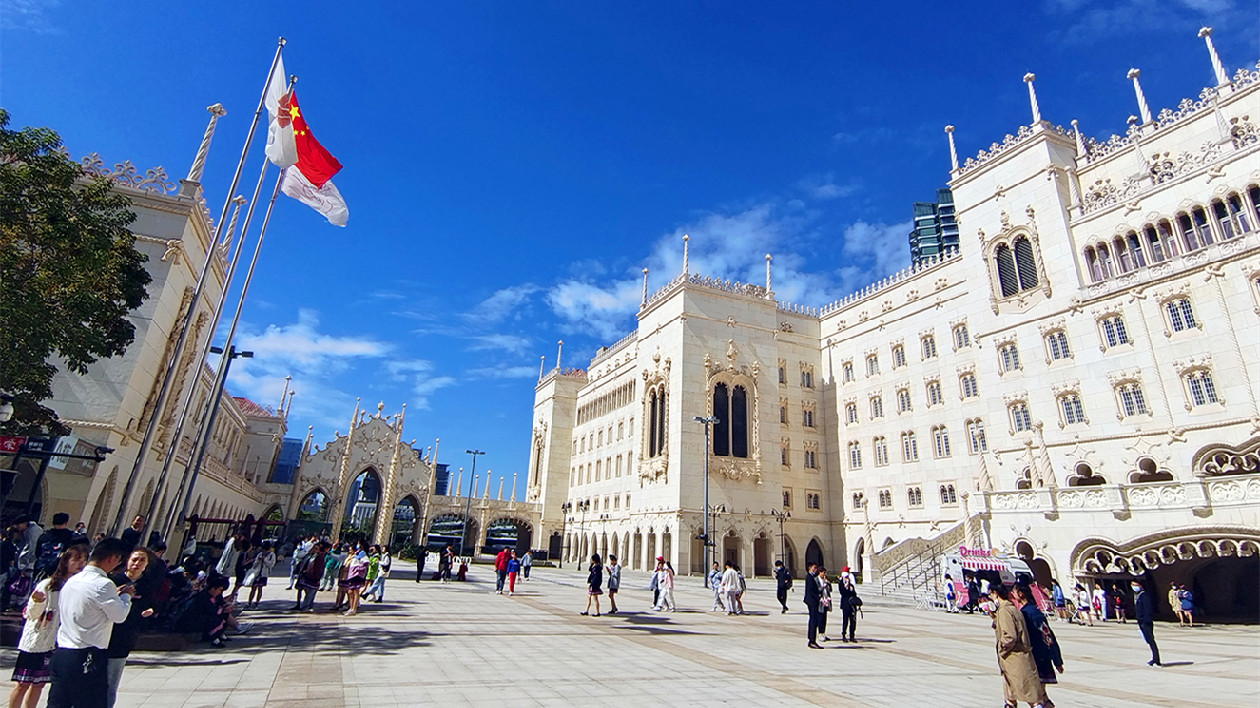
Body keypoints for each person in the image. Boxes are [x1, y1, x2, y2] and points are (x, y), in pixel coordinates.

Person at [48, 537, 133, 708]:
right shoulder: (102, 584)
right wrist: (126, 596)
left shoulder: (72, 581)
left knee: (58, 703)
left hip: (63, 652)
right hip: (87, 655)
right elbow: (119, 615)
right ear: (112, 558)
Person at [10, 545, 88, 708]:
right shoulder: (48, 584)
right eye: (76, 559)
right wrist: (37, 602)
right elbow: (31, 614)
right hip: (37, 641)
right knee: (23, 683)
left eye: (83, 559)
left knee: (39, 684)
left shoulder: (80, 586)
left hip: (57, 642)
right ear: (66, 561)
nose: (81, 563)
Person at [106, 549, 158, 708]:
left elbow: (153, 604)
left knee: (111, 682)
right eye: (134, 559)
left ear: (147, 565)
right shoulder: (113, 580)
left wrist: (150, 611)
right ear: (127, 561)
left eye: (142, 560)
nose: (137, 563)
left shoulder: (148, 584)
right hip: (104, 634)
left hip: (124, 637)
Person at [988, 584, 1048, 708]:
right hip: (1018, 659)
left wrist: (1002, 649)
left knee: (1030, 696)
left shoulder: (1005, 610)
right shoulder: (1012, 608)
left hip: (1014, 658)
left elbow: (1010, 636)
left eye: (990, 594)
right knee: (1012, 695)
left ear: (995, 593)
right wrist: (994, 617)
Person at [1014, 583, 1063, 706]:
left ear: (1021, 594)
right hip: (1039, 657)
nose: (1012, 594)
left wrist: (1056, 659)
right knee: (1041, 695)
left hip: (1037, 658)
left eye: (1014, 591)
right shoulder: (1029, 611)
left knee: (1036, 696)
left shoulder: (1030, 613)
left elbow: (1047, 635)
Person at [293, 541, 329, 613]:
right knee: (304, 590)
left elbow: (319, 568)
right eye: (314, 548)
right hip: (305, 576)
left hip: (314, 577)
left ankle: (306, 606)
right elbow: (299, 556)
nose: (314, 550)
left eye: (316, 549)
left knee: (311, 592)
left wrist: (318, 577)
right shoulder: (308, 555)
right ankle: (302, 605)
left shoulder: (320, 557)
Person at [1133, 580, 1161, 666]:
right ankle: (1154, 658)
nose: (1133, 587)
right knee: (1148, 640)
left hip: (1146, 621)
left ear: (1140, 585)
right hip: (1141, 621)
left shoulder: (1144, 596)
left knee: (1151, 640)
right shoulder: (1136, 596)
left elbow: (1148, 608)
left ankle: (1156, 660)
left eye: (1135, 585)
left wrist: (1146, 620)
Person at [243, 541, 276, 609]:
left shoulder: (272, 555)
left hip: (264, 574)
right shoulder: (260, 554)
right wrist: (258, 560)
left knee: (260, 588)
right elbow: (254, 564)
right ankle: (249, 602)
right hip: (257, 573)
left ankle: (257, 603)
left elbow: (271, 564)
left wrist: (264, 560)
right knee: (253, 588)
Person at [341, 544, 369, 616]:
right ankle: (351, 607)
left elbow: (366, 562)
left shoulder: (362, 553)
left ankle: (354, 609)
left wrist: (358, 569)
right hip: (351, 575)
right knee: (350, 591)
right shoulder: (354, 555)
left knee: (356, 591)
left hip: (356, 575)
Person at [803, 562, 824, 649]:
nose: (816, 570)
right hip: (812, 601)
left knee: (813, 620)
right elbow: (811, 590)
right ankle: (812, 640)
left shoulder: (812, 577)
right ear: (810, 568)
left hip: (812, 600)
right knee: (814, 620)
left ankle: (811, 639)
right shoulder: (810, 577)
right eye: (814, 568)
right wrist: (819, 596)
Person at [839, 573, 860, 642]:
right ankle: (844, 635)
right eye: (845, 577)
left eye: (848, 577)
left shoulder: (851, 585)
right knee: (845, 621)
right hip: (845, 605)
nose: (847, 578)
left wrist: (851, 589)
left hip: (852, 605)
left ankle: (852, 636)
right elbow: (843, 593)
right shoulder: (841, 584)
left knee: (853, 621)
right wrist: (846, 586)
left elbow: (854, 594)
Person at [816, 565, 832, 640]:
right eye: (823, 573)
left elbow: (830, 590)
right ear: (820, 572)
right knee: (820, 618)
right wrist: (823, 587)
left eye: (825, 573)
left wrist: (828, 583)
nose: (824, 574)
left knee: (824, 618)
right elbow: (817, 590)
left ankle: (823, 633)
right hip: (820, 602)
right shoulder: (816, 580)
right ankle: (820, 633)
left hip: (826, 601)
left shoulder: (825, 580)